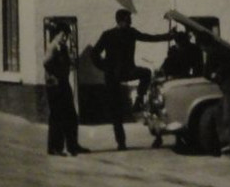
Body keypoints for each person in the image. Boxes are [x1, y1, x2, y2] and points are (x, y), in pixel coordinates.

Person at [90, 9, 171, 149]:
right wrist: (106, 67)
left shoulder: (131, 32)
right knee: (116, 110)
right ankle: (121, 142)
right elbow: (94, 54)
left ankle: (139, 100)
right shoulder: (108, 35)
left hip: (127, 71)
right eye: (128, 19)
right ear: (121, 20)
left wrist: (168, 36)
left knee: (146, 72)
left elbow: (149, 37)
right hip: (112, 76)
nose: (131, 22)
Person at [44, 21, 85, 157]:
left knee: (71, 116)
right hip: (55, 86)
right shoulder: (53, 47)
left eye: (66, 35)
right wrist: (55, 75)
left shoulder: (62, 48)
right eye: (63, 35)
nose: (65, 38)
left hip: (63, 84)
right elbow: (46, 63)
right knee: (57, 116)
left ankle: (73, 145)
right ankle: (55, 148)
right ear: (56, 34)